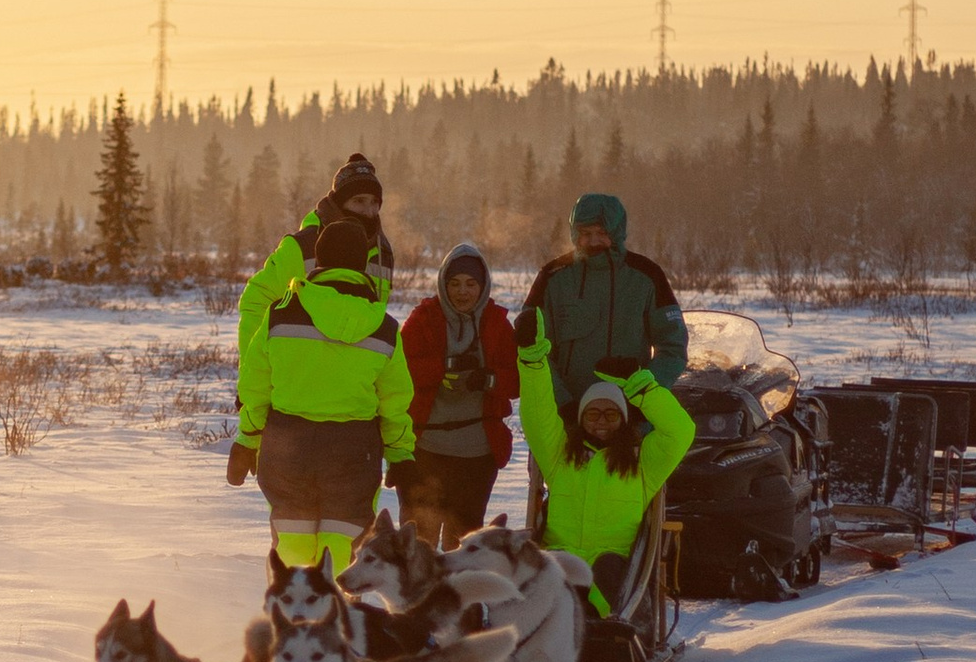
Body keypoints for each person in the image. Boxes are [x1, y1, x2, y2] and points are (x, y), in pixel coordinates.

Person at [228, 216, 417, 570]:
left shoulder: (280, 316)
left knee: (293, 550)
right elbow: (395, 402)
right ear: (363, 265)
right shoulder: (385, 327)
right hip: (354, 450)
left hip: (288, 446)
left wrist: (247, 440)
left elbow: (256, 388)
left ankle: (293, 613)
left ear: (319, 260)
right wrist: (401, 456)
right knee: (344, 551)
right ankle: (337, 615)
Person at [514, 307, 696, 614]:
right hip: (562, 556)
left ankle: (603, 629)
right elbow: (538, 414)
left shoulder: (643, 463)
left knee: (606, 573)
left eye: (611, 413)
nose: (601, 421)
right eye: (593, 413)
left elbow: (680, 432)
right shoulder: (560, 456)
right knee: (549, 577)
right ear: (582, 418)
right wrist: (532, 360)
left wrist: (641, 386)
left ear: (623, 419)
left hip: (615, 564)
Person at [516, 192, 687, 411]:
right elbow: (534, 348)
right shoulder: (553, 277)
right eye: (585, 233)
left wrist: (643, 397)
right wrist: (562, 404)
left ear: (617, 232)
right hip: (563, 416)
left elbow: (672, 348)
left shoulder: (647, 276)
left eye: (601, 233)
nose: (593, 241)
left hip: (632, 417)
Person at [397, 241, 518, 547]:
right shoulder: (423, 318)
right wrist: (442, 368)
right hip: (425, 450)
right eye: (454, 284)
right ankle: (417, 595)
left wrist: (488, 379)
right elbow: (399, 371)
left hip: (476, 455)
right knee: (417, 544)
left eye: (470, 284)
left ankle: (457, 595)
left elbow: (517, 381)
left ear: (483, 285)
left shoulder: (498, 324)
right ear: (442, 284)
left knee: (462, 548)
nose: (462, 292)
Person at [236, 152, 394, 361]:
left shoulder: (382, 253)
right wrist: (255, 369)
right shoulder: (302, 247)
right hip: (301, 376)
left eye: (375, 202)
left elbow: (373, 319)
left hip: (355, 380)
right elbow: (256, 301)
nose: (369, 211)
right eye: (359, 201)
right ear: (339, 204)